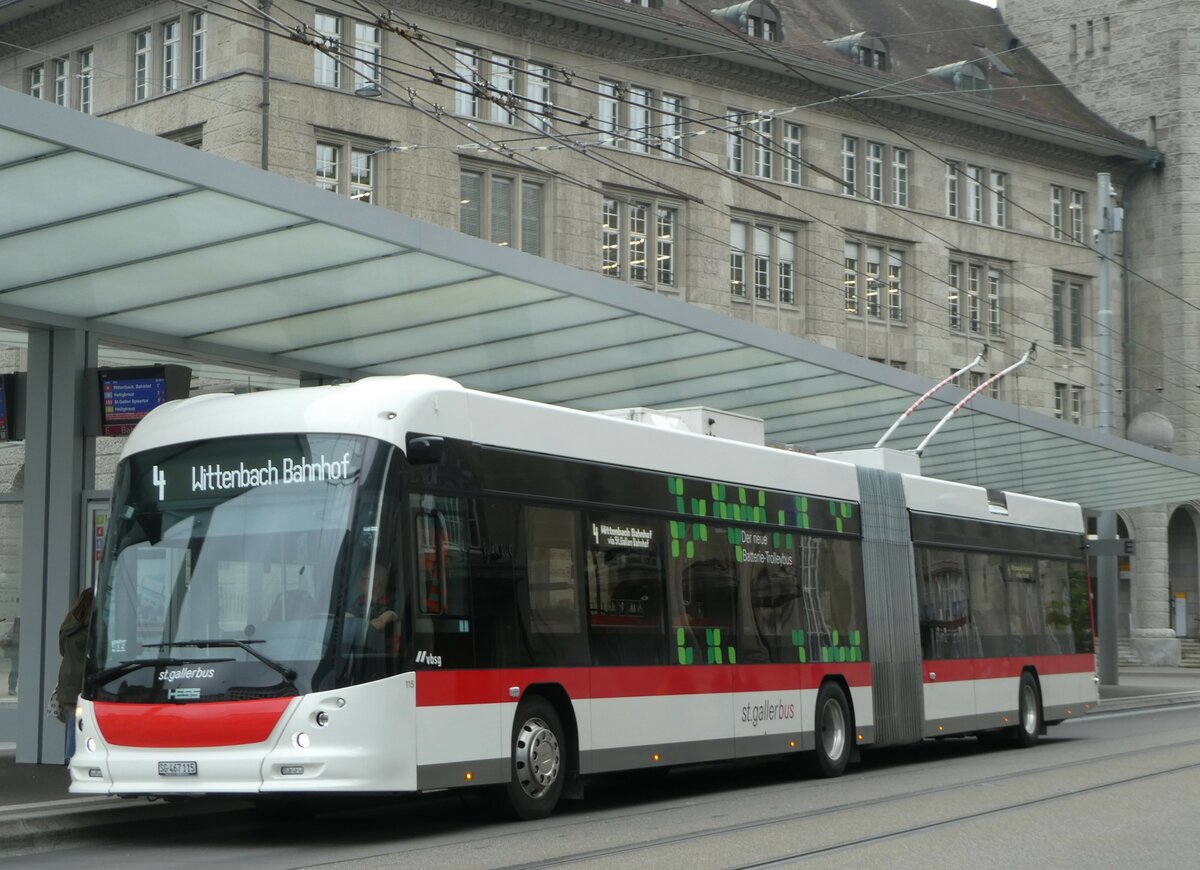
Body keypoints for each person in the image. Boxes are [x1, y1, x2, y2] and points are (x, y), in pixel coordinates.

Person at [54, 588, 93, 761]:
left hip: (67, 677)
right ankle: (74, 757)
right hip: (83, 679)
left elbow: (62, 651)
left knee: (72, 721)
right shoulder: (90, 628)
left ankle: (70, 757)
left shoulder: (67, 625)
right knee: (85, 723)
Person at [1, 616, 17, 696]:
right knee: (15, 669)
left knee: (15, 669)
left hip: (17, 649)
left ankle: (12, 688)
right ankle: (12, 688)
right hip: (16, 650)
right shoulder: (19, 622)